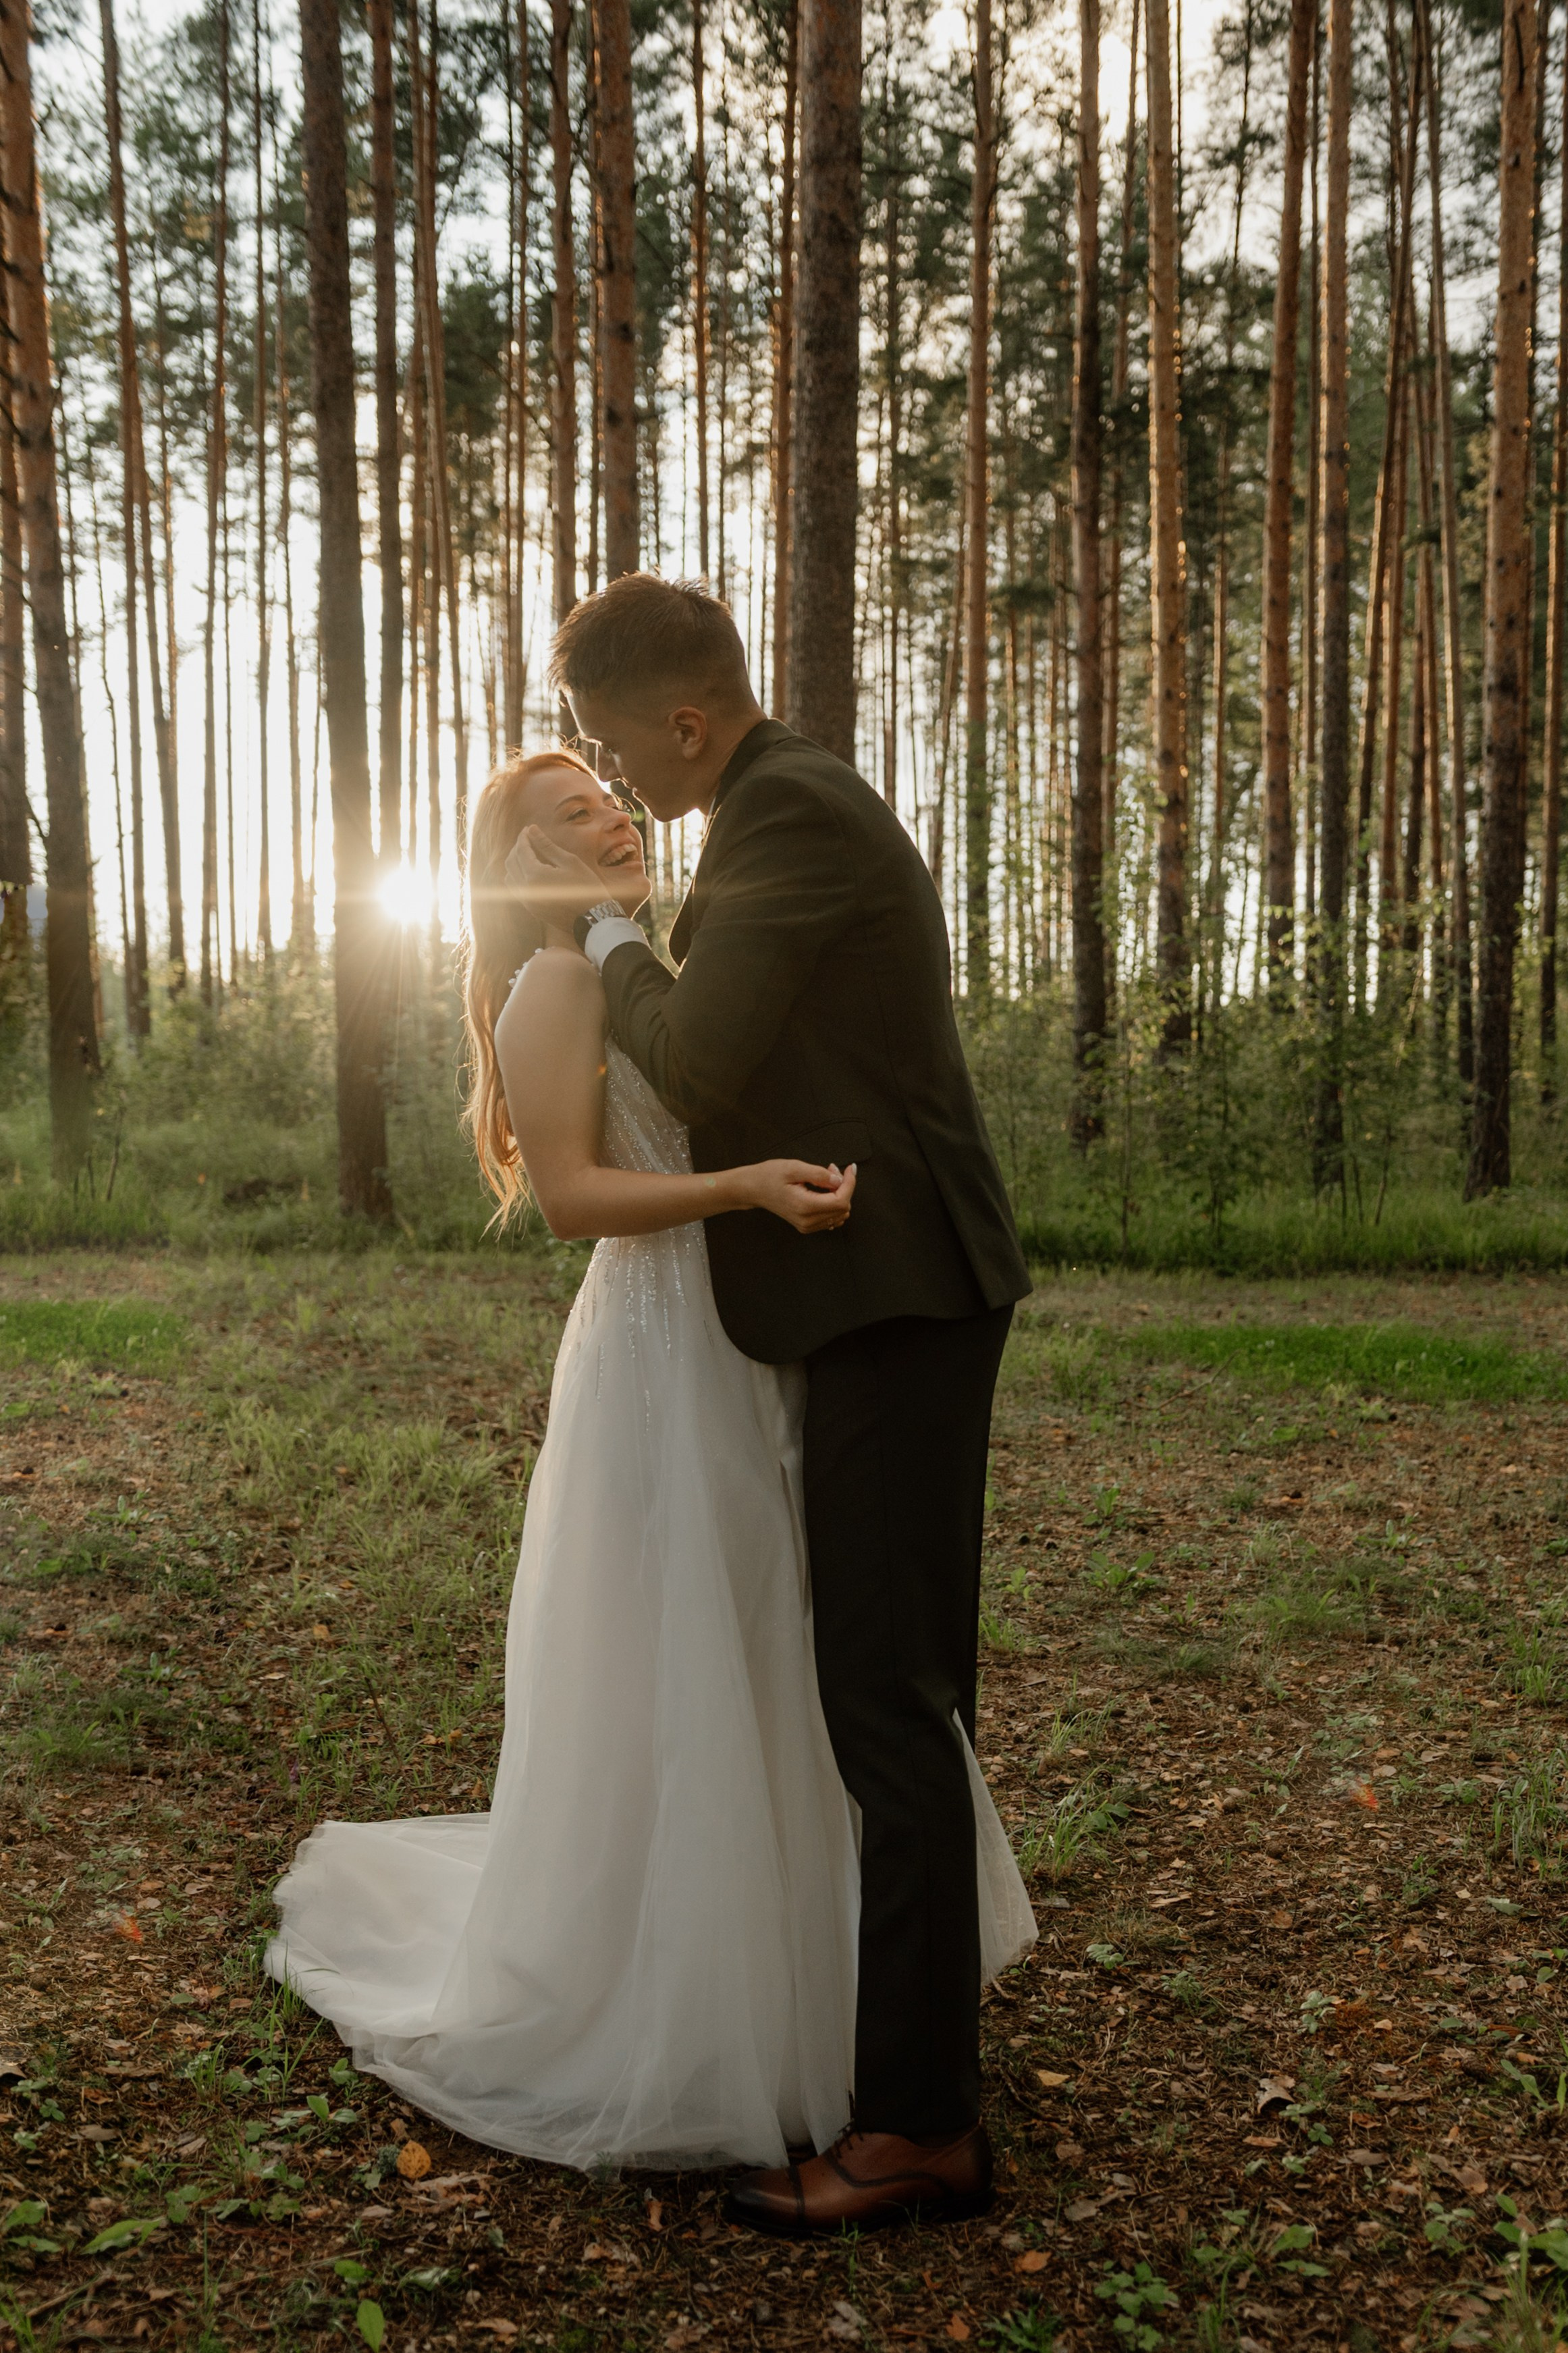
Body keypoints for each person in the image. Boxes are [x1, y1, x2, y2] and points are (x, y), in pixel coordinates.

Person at [264, 747, 1033, 2181]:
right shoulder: (557, 986)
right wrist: (744, 1184)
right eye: (569, 814)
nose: (609, 817)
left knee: (782, 1646)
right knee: (688, 1651)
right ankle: (688, 2004)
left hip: (746, 1341)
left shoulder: (643, 972)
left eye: (609, 800)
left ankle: (813, 1988)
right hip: (657, 1344)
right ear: (522, 859)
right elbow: (570, 1197)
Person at [506, 573, 1035, 2236]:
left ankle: (914, 2132)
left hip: (895, 1298)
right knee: (886, 1690)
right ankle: (905, 2074)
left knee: (885, 1702)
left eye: (610, 742)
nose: (612, 774)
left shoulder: (783, 812)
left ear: (684, 718)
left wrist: (598, 939)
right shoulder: (780, 806)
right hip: (877, 1296)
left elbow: (707, 1058)